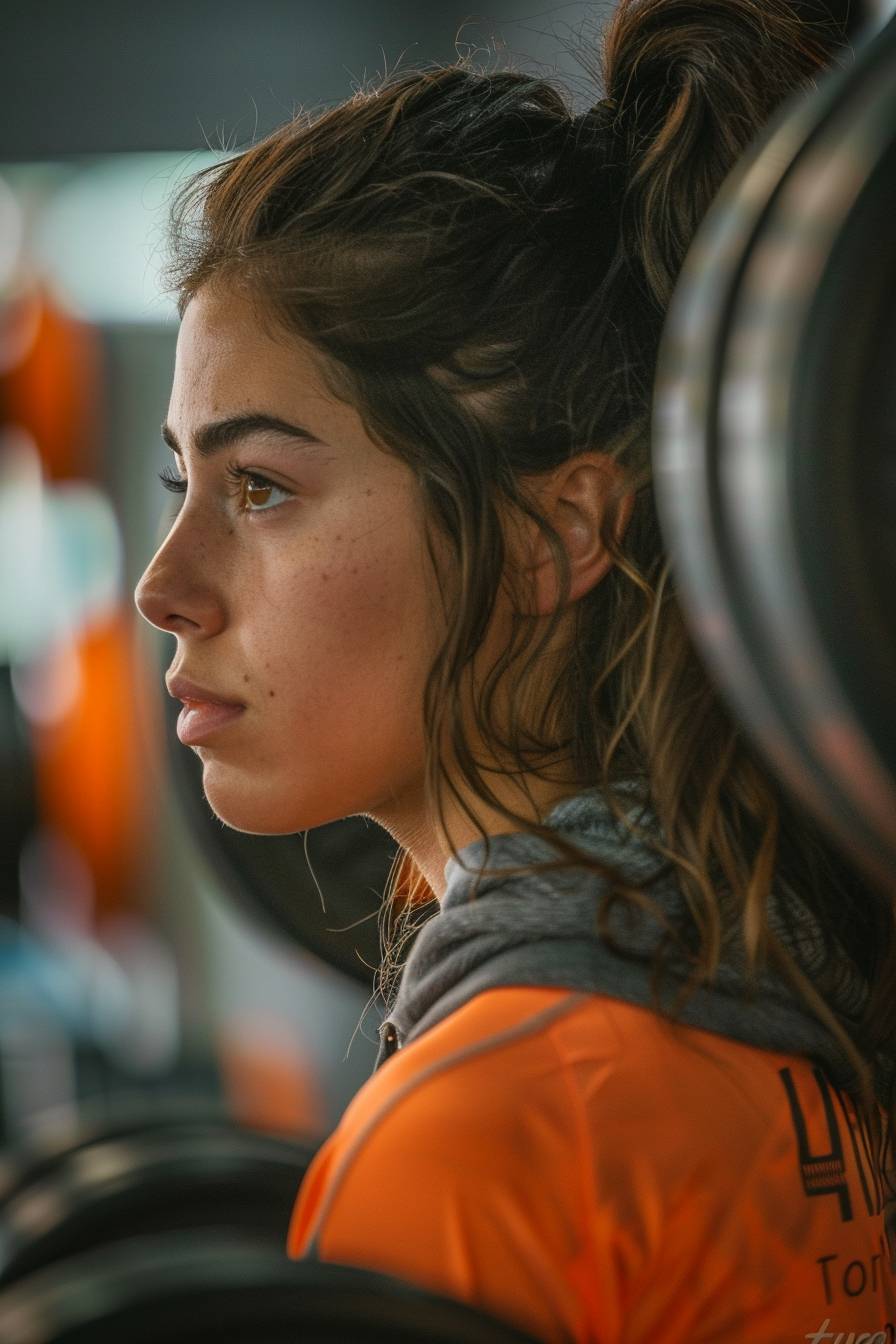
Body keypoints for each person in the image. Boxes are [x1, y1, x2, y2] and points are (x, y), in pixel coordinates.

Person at [133, 0, 896, 1339]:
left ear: (555, 536)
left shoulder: (483, 1140)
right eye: (176, 481)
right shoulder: (814, 1047)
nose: (163, 588)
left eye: (258, 488)